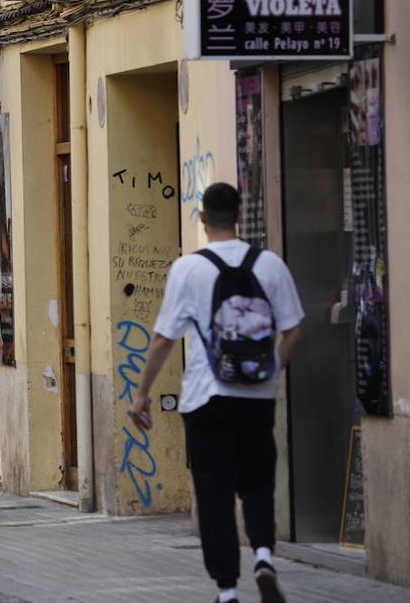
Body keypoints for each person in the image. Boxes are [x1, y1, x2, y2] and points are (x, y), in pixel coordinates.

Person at [133, 183, 302, 603]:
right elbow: (295, 329)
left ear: (203, 219)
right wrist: (269, 369)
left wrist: (142, 394)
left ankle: (227, 590)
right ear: (240, 215)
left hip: (206, 400)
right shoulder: (270, 265)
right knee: (259, 483)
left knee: (214, 494)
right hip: (258, 400)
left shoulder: (189, 269)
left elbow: (163, 340)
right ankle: (264, 556)